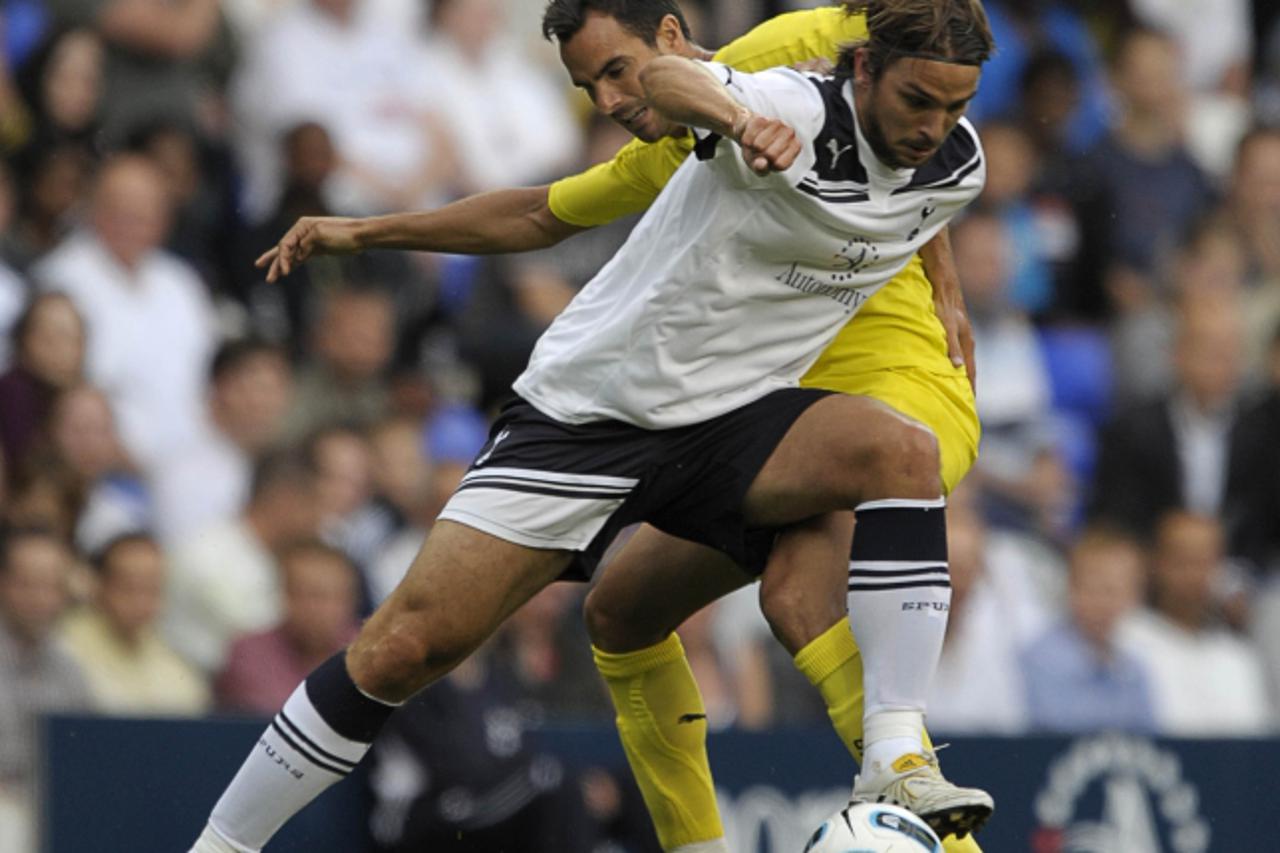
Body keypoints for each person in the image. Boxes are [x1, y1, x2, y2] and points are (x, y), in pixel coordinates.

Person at [193, 1, 996, 849]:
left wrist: (944, 279)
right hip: (594, 415)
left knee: (889, 468)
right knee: (409, 647)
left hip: (743, 415)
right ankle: (221, 844)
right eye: (592, 86)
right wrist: (736, 119)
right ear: (864, 65)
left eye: (953, 106)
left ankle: (899, 759)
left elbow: (907, 179)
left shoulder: (953, 155)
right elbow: (654, 97)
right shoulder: (777, 94)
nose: (612, 100)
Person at [60, 532, 210, 714]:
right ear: (98, 585)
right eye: (129, 587)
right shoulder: (64, 649)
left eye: (151, 589)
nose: (140, 601)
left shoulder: (174, 660)